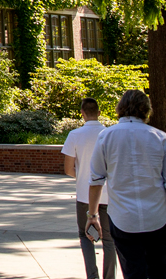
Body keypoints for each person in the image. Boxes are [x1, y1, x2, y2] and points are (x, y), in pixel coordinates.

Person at [86, 90, 166, 279]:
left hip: (123, 217)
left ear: (120, 108)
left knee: (132, 272)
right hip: (157, 217)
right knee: (159, 270)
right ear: (146, 109)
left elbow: (96, 180)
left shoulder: (106, 137)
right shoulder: (160, 137)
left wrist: (92, 215)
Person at [63, 98, 115, 279]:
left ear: (82, 113)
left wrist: (84, 175)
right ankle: (110, 276)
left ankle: (92, 276)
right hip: (108, 195)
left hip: (84, 195)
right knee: (109, 239)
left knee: (86, 236)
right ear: (99, 112)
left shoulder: (75, 135)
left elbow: (68, 169)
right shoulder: (109, 134)